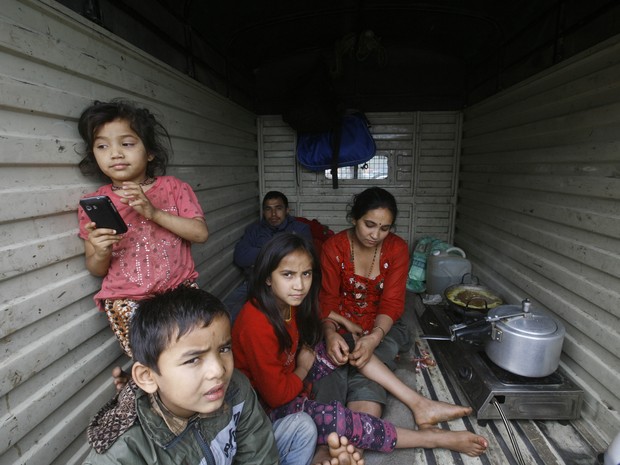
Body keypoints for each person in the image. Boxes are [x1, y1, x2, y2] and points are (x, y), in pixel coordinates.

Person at [232, 233, 488, 461]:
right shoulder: (256, 322)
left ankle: (420, 404)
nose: (299, 285)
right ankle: (432, 438)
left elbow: (320, 312)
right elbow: (276, 396)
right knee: (336, 419)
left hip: (287, 380)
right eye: (288, 274)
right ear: (267, 277)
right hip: (265, 409)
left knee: (349, 344)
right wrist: (301, 368)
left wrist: (340, 322)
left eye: (306, 273)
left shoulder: (286, 302)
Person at [82, 286, 279, 465]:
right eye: (193, 360)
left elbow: (259, 457)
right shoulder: (123, 453)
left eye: (224, 349)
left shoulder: (236, 389)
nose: (219, 370)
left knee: (301, 429)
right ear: (147, 377)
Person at [76, 99, 209, 357]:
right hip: (127, 301)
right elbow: (94, 267)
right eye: (102, 146)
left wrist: (153, 212)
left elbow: (200, 233)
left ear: (150, 152)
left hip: (180, 292)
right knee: (155, 363)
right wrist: (101, 252)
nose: (115, 153)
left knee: (192, 355)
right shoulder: (94, 204)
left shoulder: (173, 188)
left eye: (127, 144)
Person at [315, 187, 412, 421]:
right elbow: (327, 299)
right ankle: (330, 426)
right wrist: (329, 334)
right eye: (369, 224)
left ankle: (361, 427)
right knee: (331, 364)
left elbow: (391, 303)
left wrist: (374, 337)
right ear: (354, 218)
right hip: (339, 323)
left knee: (372, 363)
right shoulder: (334, 248)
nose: (376, 235)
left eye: (384, 228)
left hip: (382, 327)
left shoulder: (396, 249)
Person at [224, 190, 312, 320]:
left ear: (287, 210)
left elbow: (306, 258)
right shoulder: (254, 229)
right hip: (255, 282)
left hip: (288, 282)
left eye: (278, 208)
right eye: (268, 209)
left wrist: (260, 253)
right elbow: (241, 257)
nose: (273, 214)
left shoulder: (300, 229)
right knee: (227, 312)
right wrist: (281, 253)